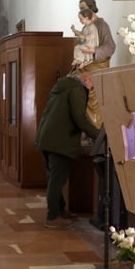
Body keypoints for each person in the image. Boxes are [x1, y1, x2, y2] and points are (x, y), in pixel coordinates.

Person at [34, 73, 101, 229]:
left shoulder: (64, 86)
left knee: (54, 178)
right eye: (93, 85)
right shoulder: (77, 89)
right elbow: (79, 118)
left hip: (47, 138)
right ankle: (52, 217)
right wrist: (99, 136)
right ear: (87, 79)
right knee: (57, 181)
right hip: (60, 141)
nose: (93, 89)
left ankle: (61, 210)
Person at [73, 0, 117, 129]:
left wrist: (94, 51)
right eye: (80, 9)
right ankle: (83, 130)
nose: (81, 11)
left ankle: (94, 131)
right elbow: (83, 44)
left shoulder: (102, 25)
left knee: (94, 98)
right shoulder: (86, 26)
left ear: (91, 8)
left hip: (97, 67)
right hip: (85, 66)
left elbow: (110, 47)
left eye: (83, 8)